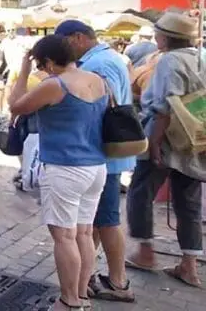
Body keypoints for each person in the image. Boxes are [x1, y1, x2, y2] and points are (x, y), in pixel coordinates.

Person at [9, 35, 108, 311]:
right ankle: (81, 297)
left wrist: (24, 71)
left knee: (64, 237)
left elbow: (15, 107)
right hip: (96, 167)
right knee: (85, 233)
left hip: (65, 168)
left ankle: (68, 301)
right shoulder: (96, 79)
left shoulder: (55, 85)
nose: (42, 69)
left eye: (42, 65)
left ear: (50, 62)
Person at [53, 20, 136, 302]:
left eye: (63, 43)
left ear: (77, 38)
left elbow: (97, 106)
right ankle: (85, 278)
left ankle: (117, 282)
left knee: (106, 221)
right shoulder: (108, 57)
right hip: (104, 155)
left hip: (99, 155)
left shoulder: (97, 63)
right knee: (92, 225)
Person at [124, 11, 206, 288]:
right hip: (195, 137)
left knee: (140, 191)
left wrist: (156, 144)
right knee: (189, 203)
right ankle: (189, 265)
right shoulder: (201, 56)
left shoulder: (170, 61)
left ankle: (145, 252)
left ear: (166, 38)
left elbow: (164, 108)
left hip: (168, 137)